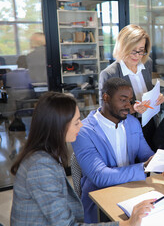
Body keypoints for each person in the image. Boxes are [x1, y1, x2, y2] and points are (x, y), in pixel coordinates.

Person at [10, 92, 154, 226]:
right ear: (58, 126)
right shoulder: (41, 167)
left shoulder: (45, 155)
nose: (81, 125)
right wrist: (126, 224)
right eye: (77, 122)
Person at [72, 78, 164, 223]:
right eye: (123, 100)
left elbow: (145, 153)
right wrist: (144, 167)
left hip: (133, 191)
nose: (128, 106)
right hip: (101, 200)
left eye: (130, 100)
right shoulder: (83, 131)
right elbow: (100, 176)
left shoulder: (132, 123)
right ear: (106, 98)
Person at [99, 24, 164, 151]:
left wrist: (157, 98)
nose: (137, 55)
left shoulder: (147, 63)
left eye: (141, 50)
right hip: (126, 128)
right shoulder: (109, 74)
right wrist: (133, 109)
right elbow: (105, 113)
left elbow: (147, 91)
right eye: (132, 50)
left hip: (149, 123)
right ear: (122, 47)